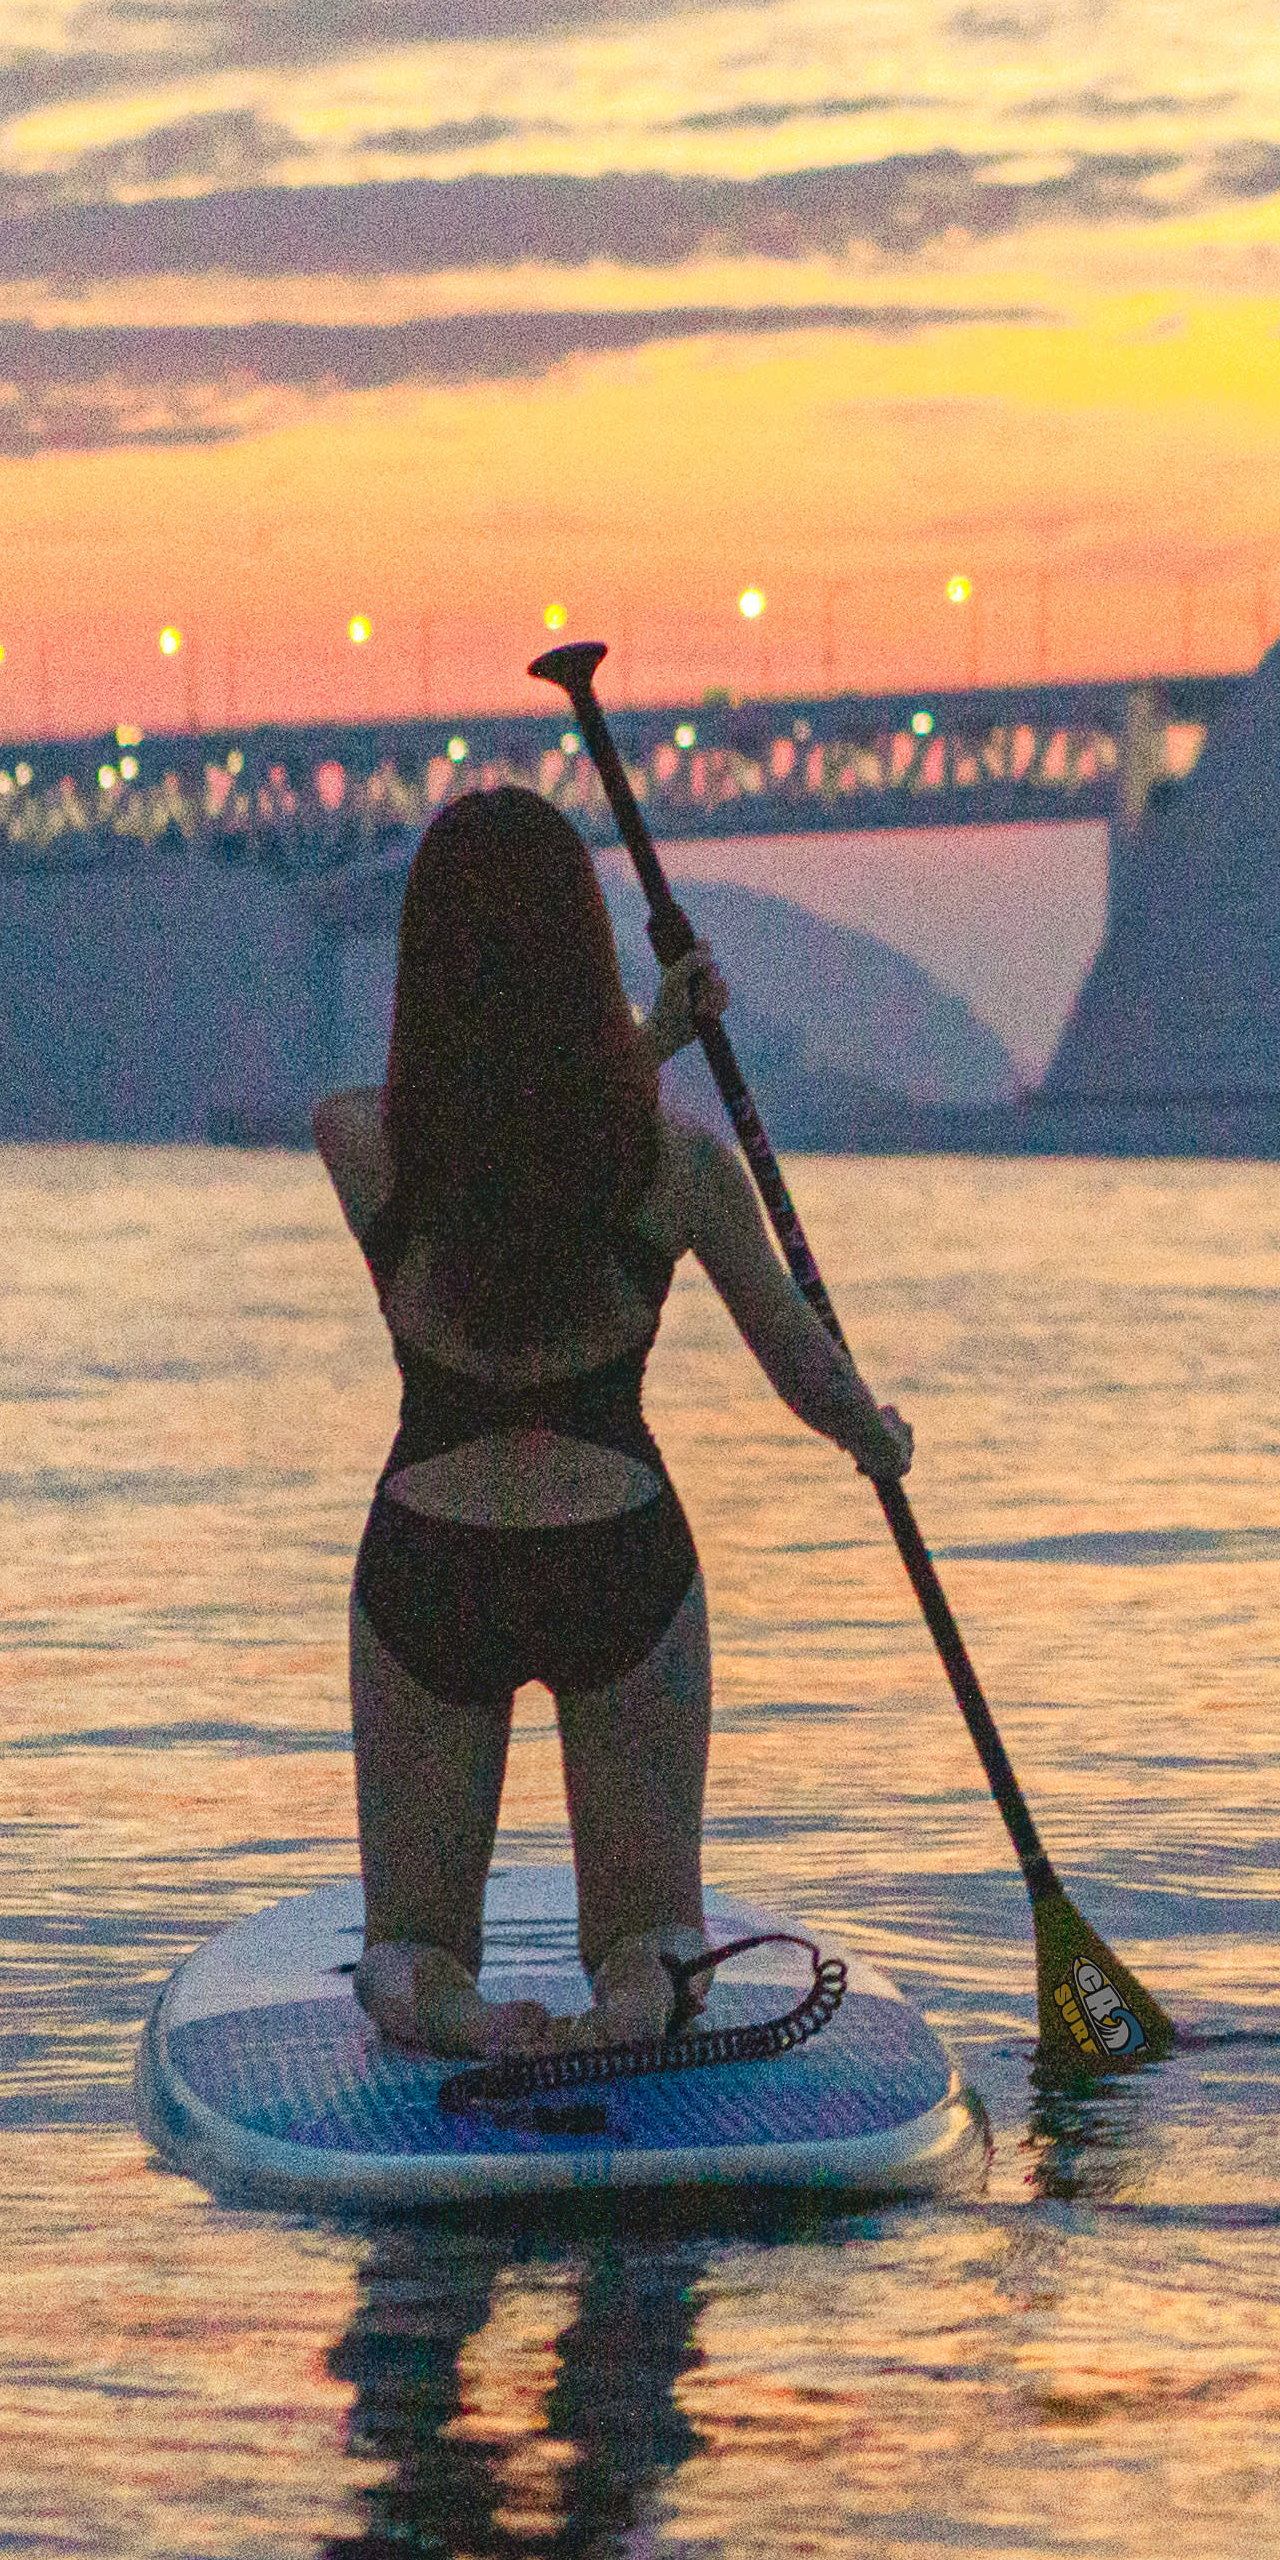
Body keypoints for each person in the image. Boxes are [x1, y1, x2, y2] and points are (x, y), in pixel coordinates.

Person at [311, 783, 914, 2059]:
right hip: (619, 1562)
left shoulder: (363, 1146)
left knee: (406, 1946)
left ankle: (466, 2015)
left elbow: (499, 1148)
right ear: (588, 953)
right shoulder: (683, 1165)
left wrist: (646, 1043)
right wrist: (875, 1432)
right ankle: (636, 2006)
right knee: (653, 1932)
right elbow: (800, 1359)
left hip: (434, 1562)